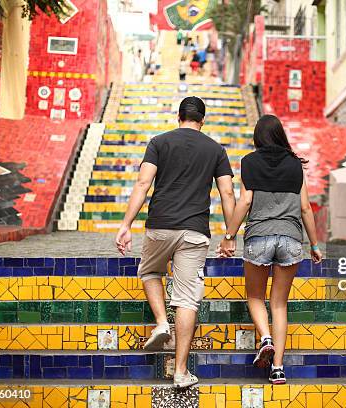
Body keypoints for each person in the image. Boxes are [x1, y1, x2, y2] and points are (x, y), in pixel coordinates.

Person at [115, 97, 236, 388]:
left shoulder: (159, 142)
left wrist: (126, 224)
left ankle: (160, 322)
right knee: (187, 300)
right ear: (202, 120)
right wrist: (230, 236)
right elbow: (228, 193)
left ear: (178, 116)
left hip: (159, 225)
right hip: (195, 232)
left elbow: (143, 184)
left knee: (150, 272)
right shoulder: (216, 150)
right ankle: (181, 372)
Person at [219, 114, 322, 385]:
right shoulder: (295, 165)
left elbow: (245, 201)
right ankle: (278, 368)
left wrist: (229, 234)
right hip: (290, 239)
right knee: (279, 303)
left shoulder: (250, 162)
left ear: (257, 138)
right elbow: (304, 208)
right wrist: (314, 244)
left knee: (255, 296)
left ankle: (265, 337)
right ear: (280, 136)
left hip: (259, 237)